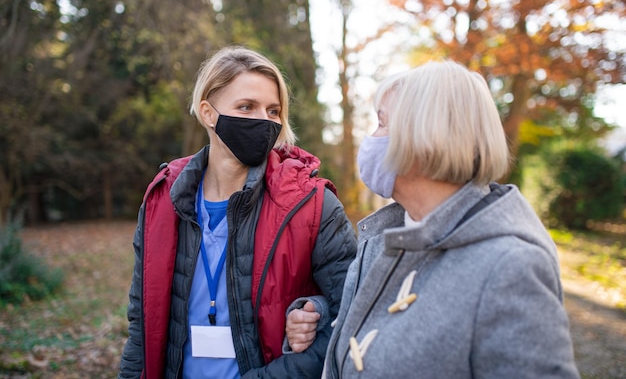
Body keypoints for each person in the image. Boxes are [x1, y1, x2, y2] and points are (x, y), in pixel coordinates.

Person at [286, 60, 581, 378]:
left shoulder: (510, 267)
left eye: (383, 124)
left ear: (425, 138)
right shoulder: (386, 237)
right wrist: (320, 314)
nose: (371, 138)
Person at [118, 45, 357, 379]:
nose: (263, 120)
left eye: (273, 111)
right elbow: (142, 324)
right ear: (208, 113)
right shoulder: (163, 199)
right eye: (246, 107)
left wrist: (313, 312)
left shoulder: (312, 204)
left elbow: (353, 315)